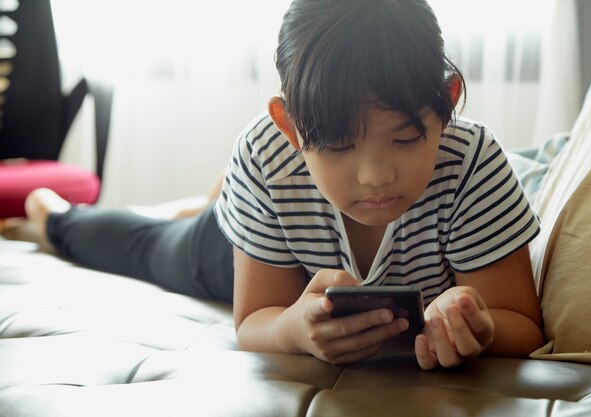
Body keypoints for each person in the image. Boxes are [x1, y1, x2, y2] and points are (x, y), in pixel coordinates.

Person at [21, 0, 544, 370]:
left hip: (276, 205)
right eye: (339, 147)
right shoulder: (268, 154)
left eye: (406, 139)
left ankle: (220, 198)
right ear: (291, 128)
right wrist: (295, 329)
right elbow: (253, 323)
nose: (376, 176)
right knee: (154, 245)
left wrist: (483, 327)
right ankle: (53, 214)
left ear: (448, 103)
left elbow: (523, 323)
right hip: (247, 235)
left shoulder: (472, 161)